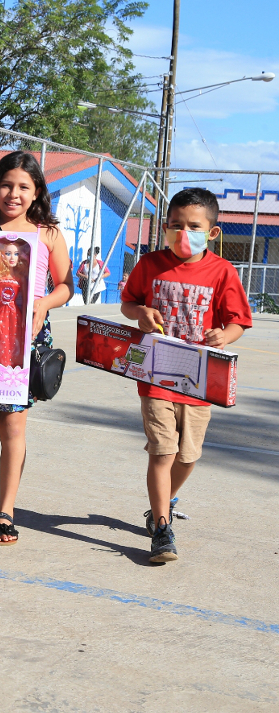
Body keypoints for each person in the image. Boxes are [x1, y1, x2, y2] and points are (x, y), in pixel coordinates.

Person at [120, 187, 251, 563]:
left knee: (188, 456)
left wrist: (225, 335)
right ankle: (162, 529)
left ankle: (162, 503)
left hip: (199, 381)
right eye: (176, 224)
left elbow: (238, 321)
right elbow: (129, 303)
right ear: (165, 226)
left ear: (212, 232)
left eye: (194, 226)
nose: (183, 233)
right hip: (155, 375)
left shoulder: (222, 271)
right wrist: (140, 313)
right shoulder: (150, 264)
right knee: (163, 452)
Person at [0, 151, 74, 544]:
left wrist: (44, 303)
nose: (14, 193)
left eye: (24, 186)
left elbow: (66, 285)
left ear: (37, 191)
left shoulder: (49, 234)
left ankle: (5, 511)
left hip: (26, 340)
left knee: (13, 426)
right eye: (6, 185)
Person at [0, 239, 29, 366]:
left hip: (14, 313)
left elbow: (25, 300)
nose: (12, 257)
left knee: (12, 339)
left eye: (16, 254)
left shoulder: (20, 278)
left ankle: (11, 364)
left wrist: (24, 318)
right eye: (8, 253)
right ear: (2, 255)